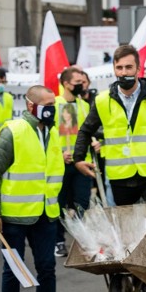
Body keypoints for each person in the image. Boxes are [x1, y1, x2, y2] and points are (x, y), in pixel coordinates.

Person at [74, 44, 146, 292]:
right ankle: (140, 283)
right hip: (121, 175)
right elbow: (85, 131)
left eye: (129, 67)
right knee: (127, 234)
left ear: (138, 69)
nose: (124, 72)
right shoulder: (102, 100)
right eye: (119, 68)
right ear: (114, 69)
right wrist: (79, 159)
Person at [0, 85, 66, 292]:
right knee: (13, 271)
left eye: (54, 104)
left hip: (44, 214)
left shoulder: (52, 134)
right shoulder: (14, 131)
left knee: (47, 268)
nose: (52, 109)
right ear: (31, 106)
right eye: (47, 105)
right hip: (13, 217)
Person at [53, 67, 94, 258]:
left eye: (82, 81)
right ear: (66, 84)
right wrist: (59, 153)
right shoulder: (54, 105)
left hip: (81, 162)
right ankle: (58, 240)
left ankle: (78, 237)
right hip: (60, 164)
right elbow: (48, 137)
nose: (81, 85)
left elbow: (90, 132)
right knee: (60, 203)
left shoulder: (84, 106)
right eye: (77, 82)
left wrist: (96, 142)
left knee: (82, 202)